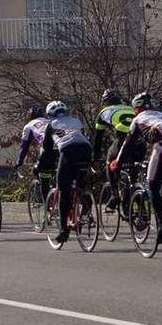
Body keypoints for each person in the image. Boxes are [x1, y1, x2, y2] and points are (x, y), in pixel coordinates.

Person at [111, 93, 162, 244]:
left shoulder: (138, 119)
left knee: (152, 186)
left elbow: (127, 145)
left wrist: (118, 163)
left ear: (136, 108)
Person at [37, 101, 91, 245]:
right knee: (81, 182)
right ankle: (86, 210)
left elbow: (46, 149)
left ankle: (63, 230)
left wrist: (39, 166)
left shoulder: (51, 124)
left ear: (49, 115)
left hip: (68, 152)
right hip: (86, 150)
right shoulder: (77, 121)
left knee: (64, 191)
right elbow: (82, 136)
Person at [91, 89, 144, 209]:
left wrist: (96, 156)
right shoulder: (130, 108)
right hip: (140, 142)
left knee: (110, 163)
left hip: (123, 140)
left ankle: (115, 196)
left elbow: (98, 138)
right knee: (133, 173)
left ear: (106, 102)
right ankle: (135, 194)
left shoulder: (104, 112)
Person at [15, 105, 53, 198]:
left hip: (47, 148)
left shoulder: (29, 126)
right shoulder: (49, 121)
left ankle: (48, 206)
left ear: (31, 116)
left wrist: (19, 162)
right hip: (61, 146)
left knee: (41, 172)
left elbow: (24, 146)